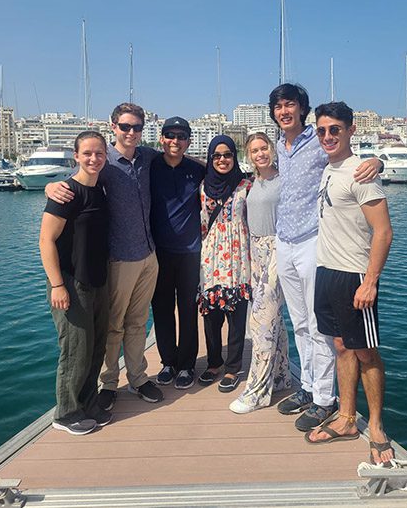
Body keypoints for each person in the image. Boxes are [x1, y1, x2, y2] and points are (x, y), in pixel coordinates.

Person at [269, 83, 383, 432]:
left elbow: (353, 159)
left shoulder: (317, 141)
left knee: (322, 330)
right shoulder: (279, 146)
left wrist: (378, 161)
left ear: (302, 109)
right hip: (284, 241)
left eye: (290, 105)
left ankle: (324, 398)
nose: (284, 111)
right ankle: (307, 386)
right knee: (300, 322)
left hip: (311, 243)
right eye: (278, 106)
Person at [45, 102, 164, 410]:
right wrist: (50, 185)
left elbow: (179, 157)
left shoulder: (146, 156)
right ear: (114, 127)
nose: (131, 132)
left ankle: (137, 377)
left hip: (149, 255)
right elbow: (73, 182)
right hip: (119, 258)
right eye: (125, 126)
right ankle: (109, 382)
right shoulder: (102, 159)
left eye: (137, 127)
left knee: (138, 322)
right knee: (114, 325)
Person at [303, 102, 394, 469]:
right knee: (341, 346)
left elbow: (384, 232)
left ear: (350, 130)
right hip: (326, 272)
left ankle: (376, 428)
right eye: (322, 130)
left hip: (354, 276)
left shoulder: (362, 175)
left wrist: (370, 281)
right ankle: (345, 418)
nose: (327, 136)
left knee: (366, 352)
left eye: (334, 129)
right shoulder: (329, 169)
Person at [39, 131, 112, 435]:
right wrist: (57, 285)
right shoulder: (67, 193)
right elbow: (46, 240)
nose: (93, 159)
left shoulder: (101, 189)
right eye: (87, 154)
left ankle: (88, 403)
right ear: (76, 156)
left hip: (98, 280)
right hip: (72, 282)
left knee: (95, 347)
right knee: (75, 350)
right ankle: (66, 413)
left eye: (99, 154)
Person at [229, 132, 294, 414]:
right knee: (273, 317)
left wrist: (376, 162)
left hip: (278, 248)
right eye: (254, 150)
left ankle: (257, 390)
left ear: (272, 149)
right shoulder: (249, 182)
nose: (260, 154)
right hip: (255, 251)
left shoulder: (286, 179)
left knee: (261, 322)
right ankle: (280, 376)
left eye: (263, 148)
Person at [149, 117, 204, 390]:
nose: (175, 140)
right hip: (158, 252)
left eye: (181, 136)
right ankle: (168, 362)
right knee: (161, 309)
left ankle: (187, 365)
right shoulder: (150, 165)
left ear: (188, 141)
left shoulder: (197, 169)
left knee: (188, 309)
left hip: (190, 253)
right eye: (170, 134)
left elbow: (229, 176)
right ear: (162, 138)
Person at [196, 135, 252, 393]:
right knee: (211, 317)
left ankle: (233, 367)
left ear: (234, 157)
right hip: (210, 258)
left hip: (237, 259)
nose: (222, 160)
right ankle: (214, 362)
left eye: (227, 155)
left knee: (237, 318)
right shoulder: (203, 187)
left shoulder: (246, 186)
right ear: (210, 158)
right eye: (216, 156)